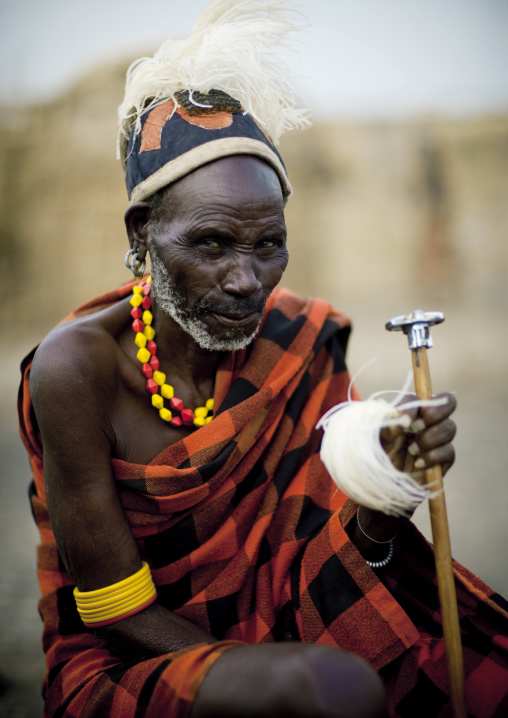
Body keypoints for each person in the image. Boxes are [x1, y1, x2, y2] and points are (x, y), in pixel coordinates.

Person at [18, 2, 507, 717]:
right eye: (211, 244)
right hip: (128, 655)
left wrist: (386, 487)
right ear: (143, 235)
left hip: (294, 620)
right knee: (335, 687)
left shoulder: (302, 341)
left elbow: (343, 558)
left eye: (268, 244)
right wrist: (281, 667)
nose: (247, 279)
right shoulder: (76, 369)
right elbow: (115, 612)